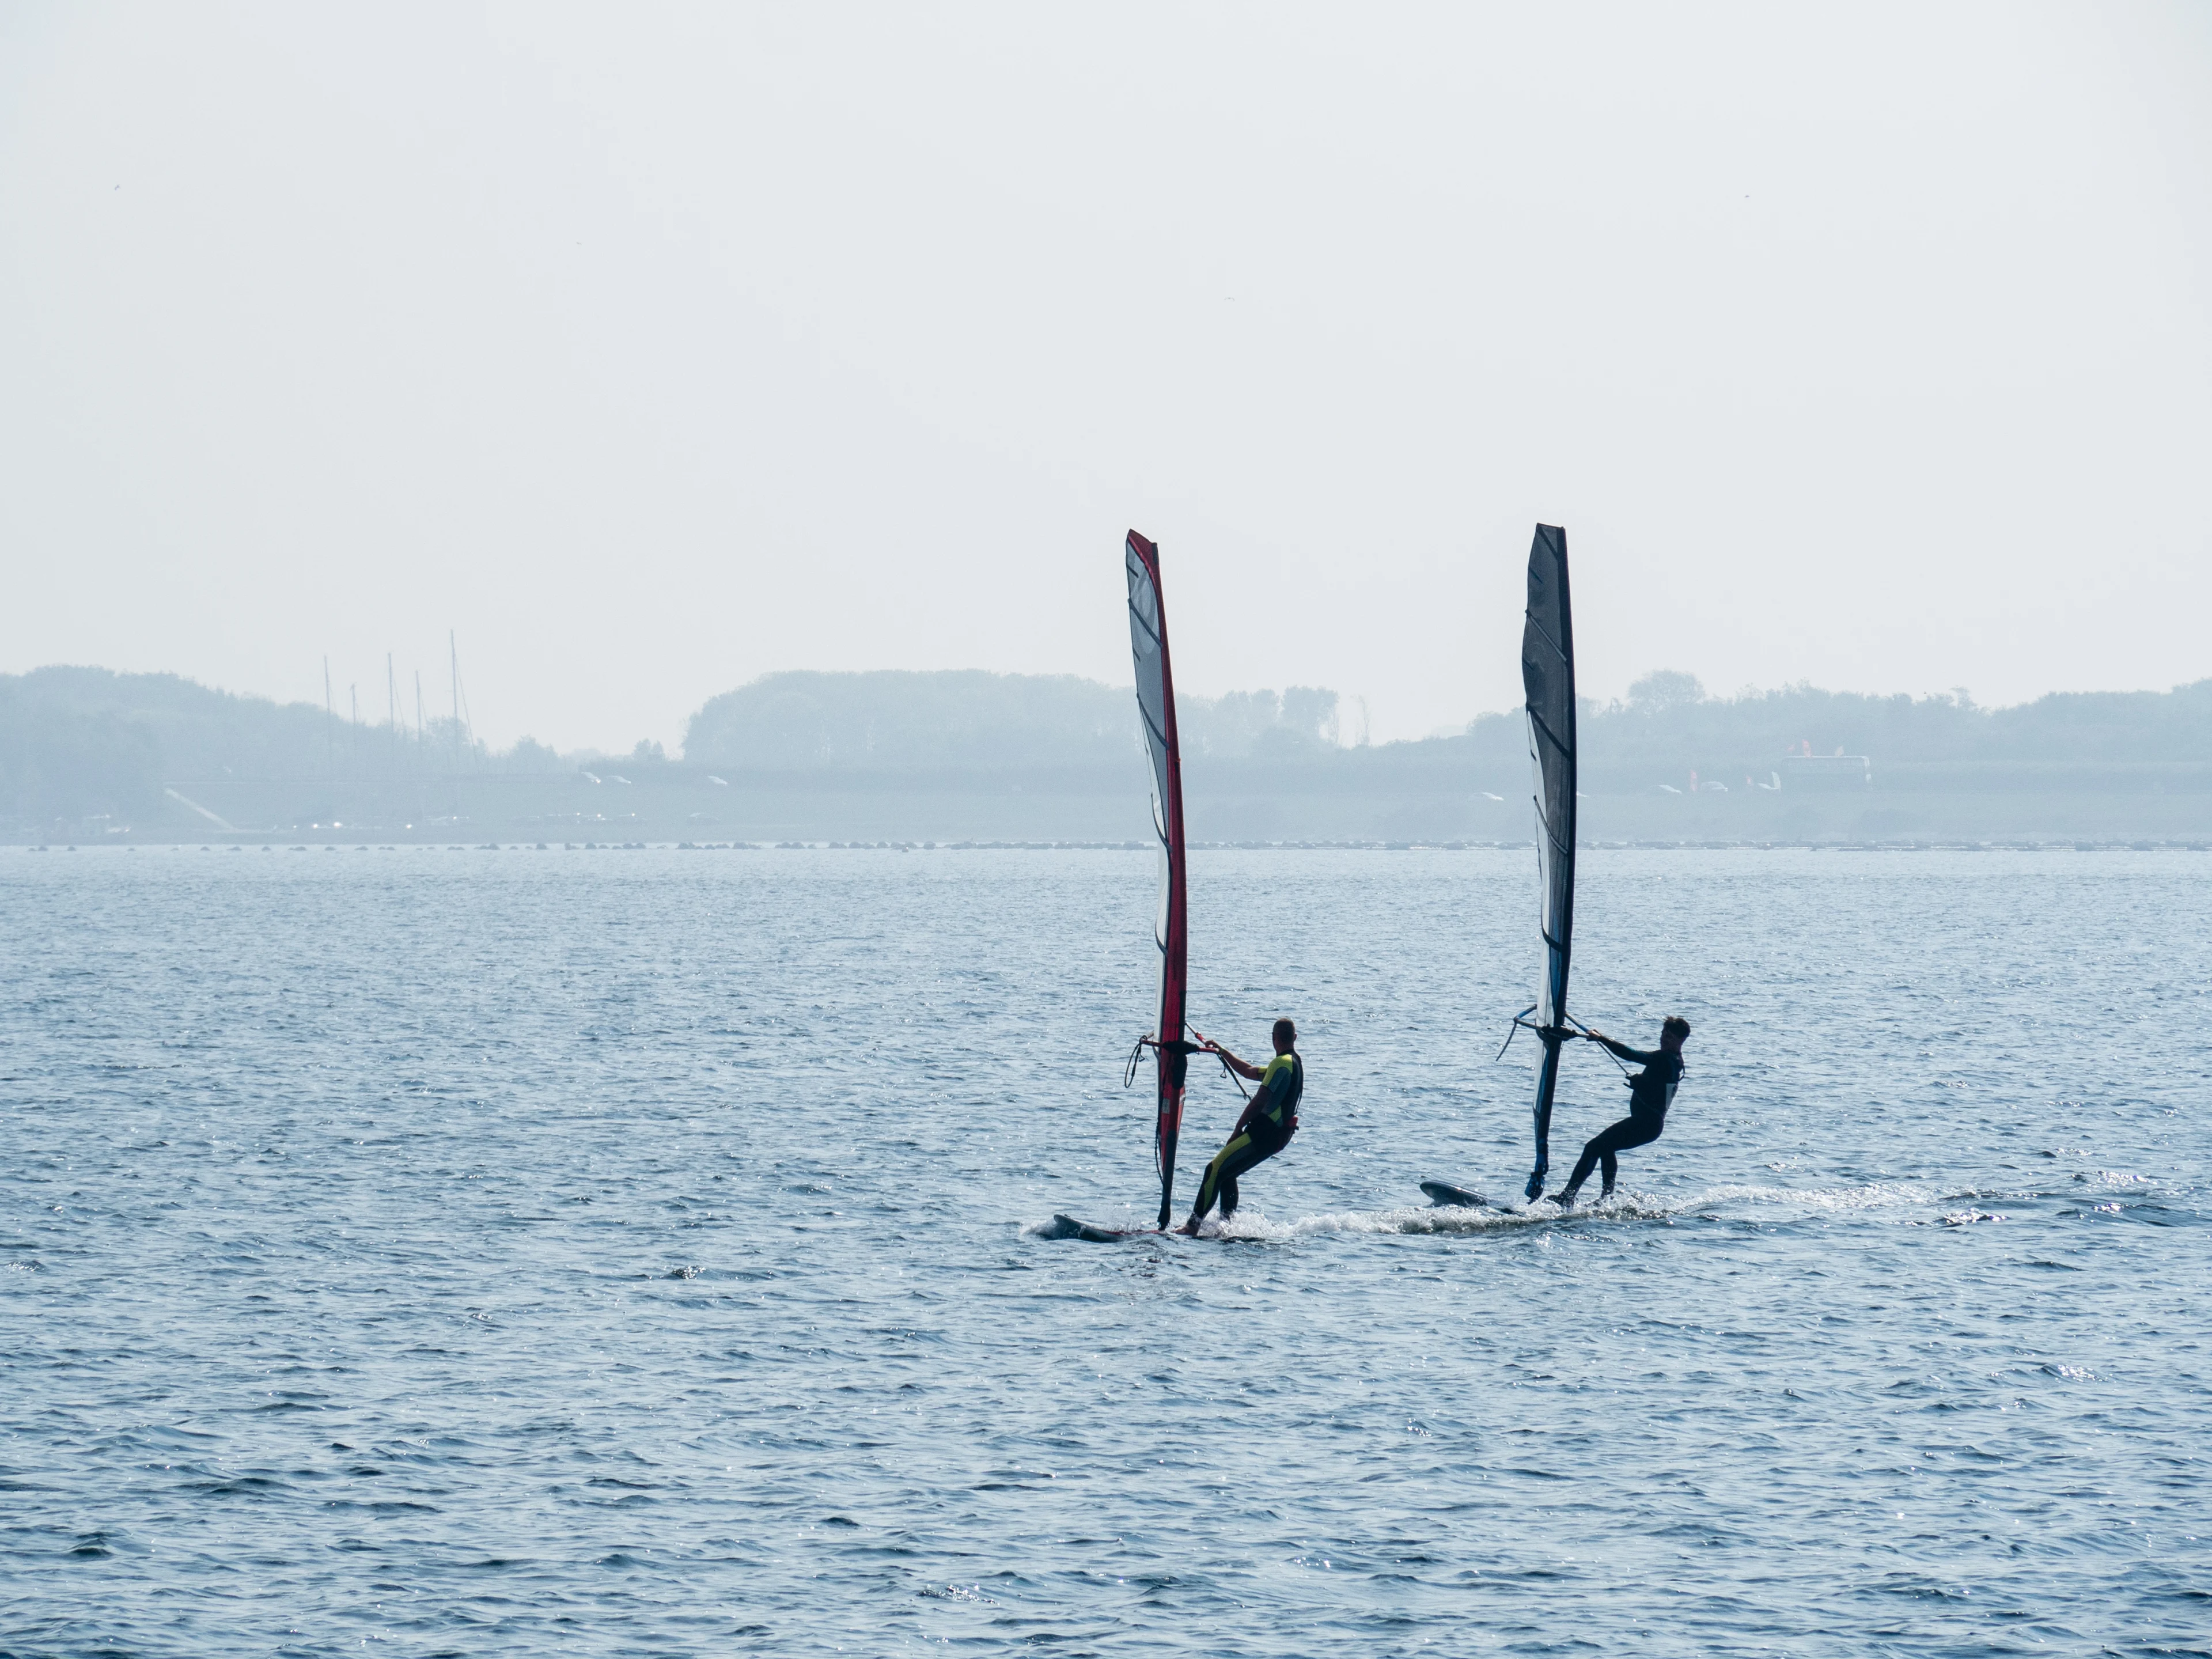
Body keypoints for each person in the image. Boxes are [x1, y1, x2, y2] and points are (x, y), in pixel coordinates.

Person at [1177, 1017, 1303, 1234]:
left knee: (1214, 1169)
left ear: (1274, 1039)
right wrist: (1222, 1051)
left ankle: (1192, 1226)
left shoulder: (1281, 1064)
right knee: (1227, 1174)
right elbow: (1248, 1071)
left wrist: (1237, 1129)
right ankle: (1225, 1227)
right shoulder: (1292, 1063)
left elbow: (1260, 1100)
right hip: (1277, 1136)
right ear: (1294, 1038)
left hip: (1264, 1134)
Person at [1551, 1016, 1691, 1207]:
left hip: (1647, 1124)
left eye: (1669, 1037)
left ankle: (1568, 1197)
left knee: (1593, 1147)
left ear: (1681, 1040)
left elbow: (1632, 1055)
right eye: (1663, 1034)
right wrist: (1643, 1084)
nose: (1663, 1039)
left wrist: (1602, 1039)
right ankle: (1606, 1198)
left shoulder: (1667, 1060)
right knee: (1605, 1147)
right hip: (1647, 1124)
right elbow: (1657, 1087)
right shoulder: (1670, 1060)